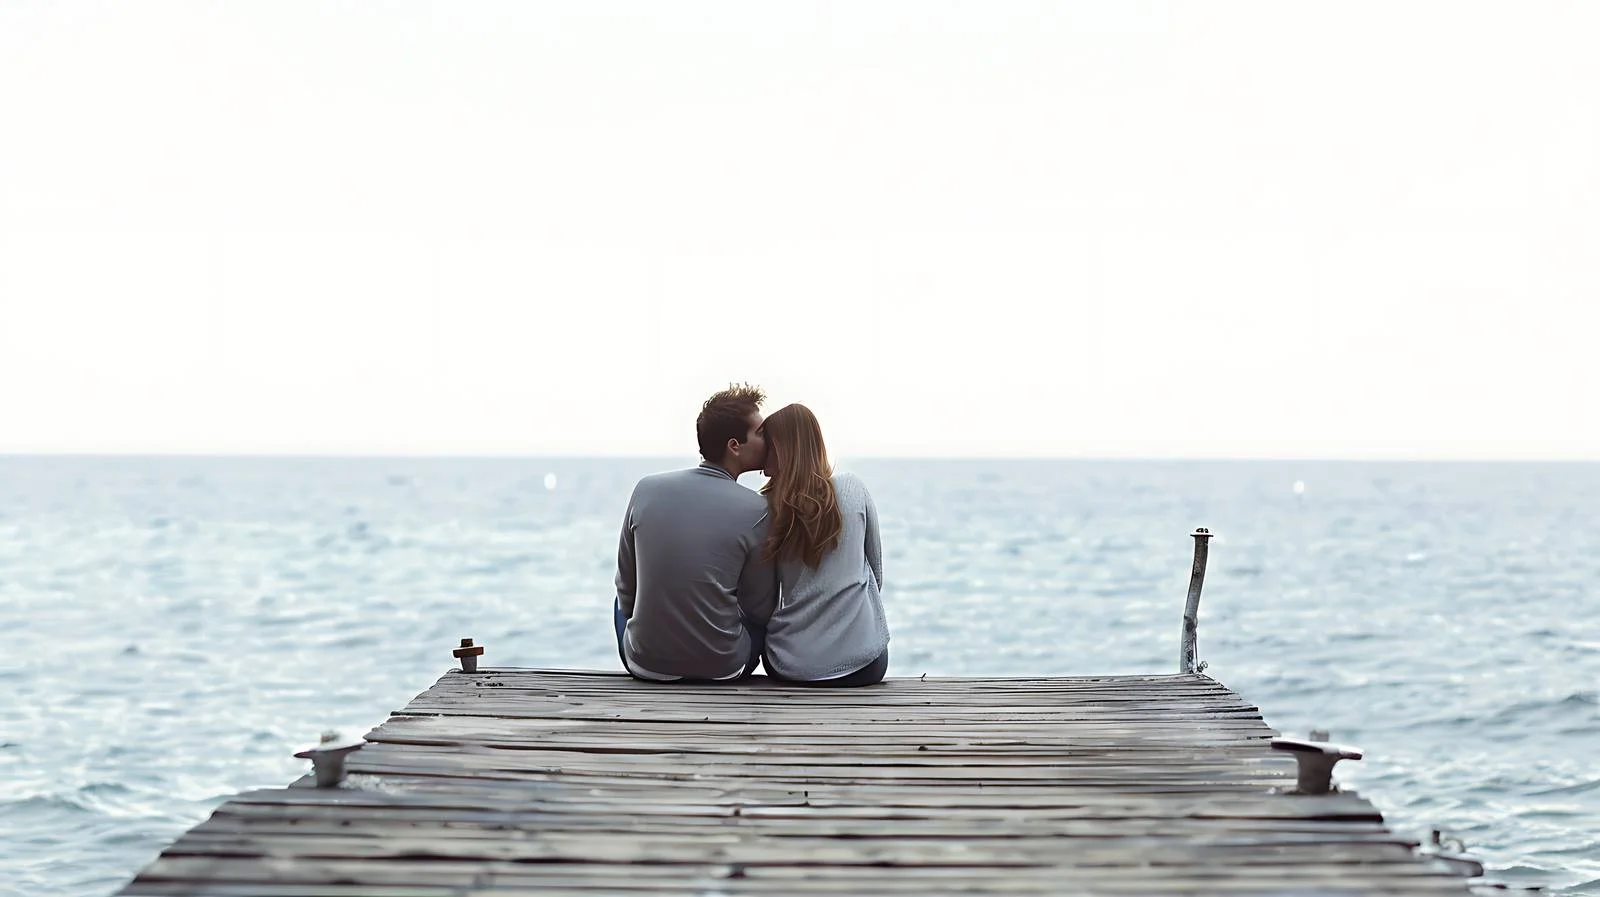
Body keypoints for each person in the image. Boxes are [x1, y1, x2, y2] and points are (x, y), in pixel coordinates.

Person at [612, 383, 778, 682]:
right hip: (723, 668)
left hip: (646, 664)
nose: (769, 441)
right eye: (761, 433)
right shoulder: (758, 509)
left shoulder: (646, 488)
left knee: (623, 601)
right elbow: (760, 610)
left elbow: (626, 590)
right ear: (734, 446)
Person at [758, 403, 889, 687]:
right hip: (863, 665)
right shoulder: (853, 487)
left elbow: (764, 600)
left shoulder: (766, 508)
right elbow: (876, 576)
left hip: (790, 665)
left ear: (781, 450)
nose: (760, 461)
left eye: (765, 446)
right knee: (861, 571)